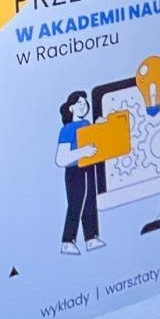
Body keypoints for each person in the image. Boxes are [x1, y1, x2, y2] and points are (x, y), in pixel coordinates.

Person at [55, 91, 102, 255]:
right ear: (71, 108)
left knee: (90, 201)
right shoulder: (67, 129)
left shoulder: (87, 123)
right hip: (74, 171)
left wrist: (101, 126)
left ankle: (91, 237)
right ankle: (68, 241)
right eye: (80, 103)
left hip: (89, 168)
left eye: (85, 103)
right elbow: (60, 159)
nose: (83, 106)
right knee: (76, 204)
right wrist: (82, 153)